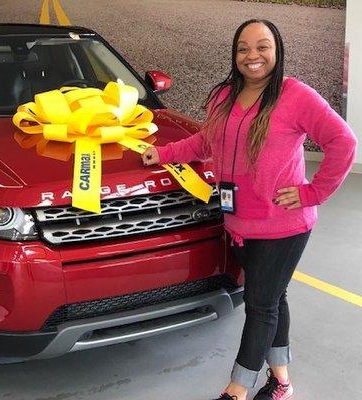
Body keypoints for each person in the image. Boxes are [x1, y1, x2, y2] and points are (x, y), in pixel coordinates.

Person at [141, 19, 357, 400]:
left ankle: (237, 390)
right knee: (273, 298)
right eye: (243, 48)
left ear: (277, 51)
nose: (252, 56)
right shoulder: (225, 95)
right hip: (239, 221)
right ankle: (282, 382)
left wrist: (313, 193)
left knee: (260, 305)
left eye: (262, 46)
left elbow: (343, 141)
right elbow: (205, 141)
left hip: (283, 225)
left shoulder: (296, 95)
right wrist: (163, 153)